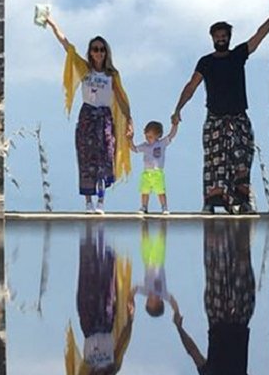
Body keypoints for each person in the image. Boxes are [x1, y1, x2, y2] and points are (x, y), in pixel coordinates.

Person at [171, 0, 269, 213]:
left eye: (224, 36)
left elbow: (258, 36)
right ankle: (210, 202)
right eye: (217, 36)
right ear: (212, 38)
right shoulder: (206, 62)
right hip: (215, 119)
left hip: (239, 118)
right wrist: (178, 109)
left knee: (242, 160)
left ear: (229, 38)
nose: (221, 39)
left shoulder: (238, 55)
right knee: (214, 163)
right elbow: (191, 85)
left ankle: (243, 202)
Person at [46, 15, 133, 214]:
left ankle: (101, 201)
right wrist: (51, 23)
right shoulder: (84, 69)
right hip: (87, 116)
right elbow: (67, 45)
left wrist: (129, 121)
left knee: (105, 157)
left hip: (104, 118)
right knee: (86, 159)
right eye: (95, 49)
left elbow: (122, 100)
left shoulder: (112, 75)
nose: (99, 53)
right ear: (90, 52)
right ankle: (88, 202)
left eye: (102, 49)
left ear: (106, 52)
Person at [169, 219, 254, 374]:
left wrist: (179, 328)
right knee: (227, 268)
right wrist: (179, 328)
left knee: (232, 267)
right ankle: (230, 226)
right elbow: (193, 352)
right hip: (228, 319)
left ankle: (221, 227)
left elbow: (193, 352)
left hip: (229, 320)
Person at [65, 223, 136, 375]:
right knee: (106, 279)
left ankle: (88, 232)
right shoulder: (113, 368)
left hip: (88, 325)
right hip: (105, 323)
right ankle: (105, 236)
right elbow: (122, 341)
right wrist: (130, 320)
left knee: (86, 275)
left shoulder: (86, 373)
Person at [130, 119, 177, 215]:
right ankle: (144, 207)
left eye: (150, 137)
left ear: (158, 135)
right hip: (147, 173)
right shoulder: (145, 146)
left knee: (160, 191)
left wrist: (175, 125)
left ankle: (164, 207)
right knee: (144, 191)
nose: (148, 139)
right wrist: (130, 139)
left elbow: (171, 135)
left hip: (157, 172)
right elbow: (134, 149)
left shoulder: (161, 143)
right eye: (146, 136)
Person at [133, 219, 172, 319]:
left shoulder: (146, 291)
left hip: (147, 262)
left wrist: (130, 300)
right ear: (159, 302)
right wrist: (176, 312)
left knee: (144, 239)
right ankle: (164, 222)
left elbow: (135, 289)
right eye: (151, 301)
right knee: (160, 239)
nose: (148, 299)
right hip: (158, 261)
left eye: (147, 301)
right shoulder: (163, 293)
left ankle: (144, 220)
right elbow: (173, 302)